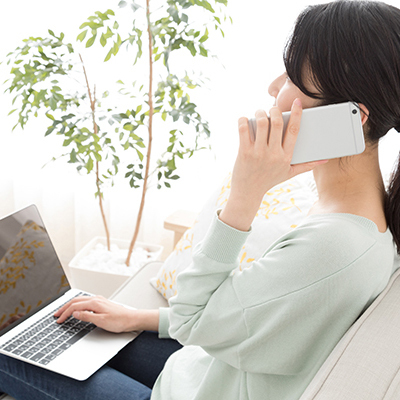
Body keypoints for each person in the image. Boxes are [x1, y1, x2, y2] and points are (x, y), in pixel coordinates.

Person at [1, 1, 400, 399]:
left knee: (7, 346)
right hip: (203, 369)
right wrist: (137, 317)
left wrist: (246, 192)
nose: (273, 87)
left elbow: (195, 318)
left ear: (351, 117)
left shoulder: (332, 247)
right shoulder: (362, 219)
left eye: (292, 77)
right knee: (47, 330)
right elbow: (241, 317)